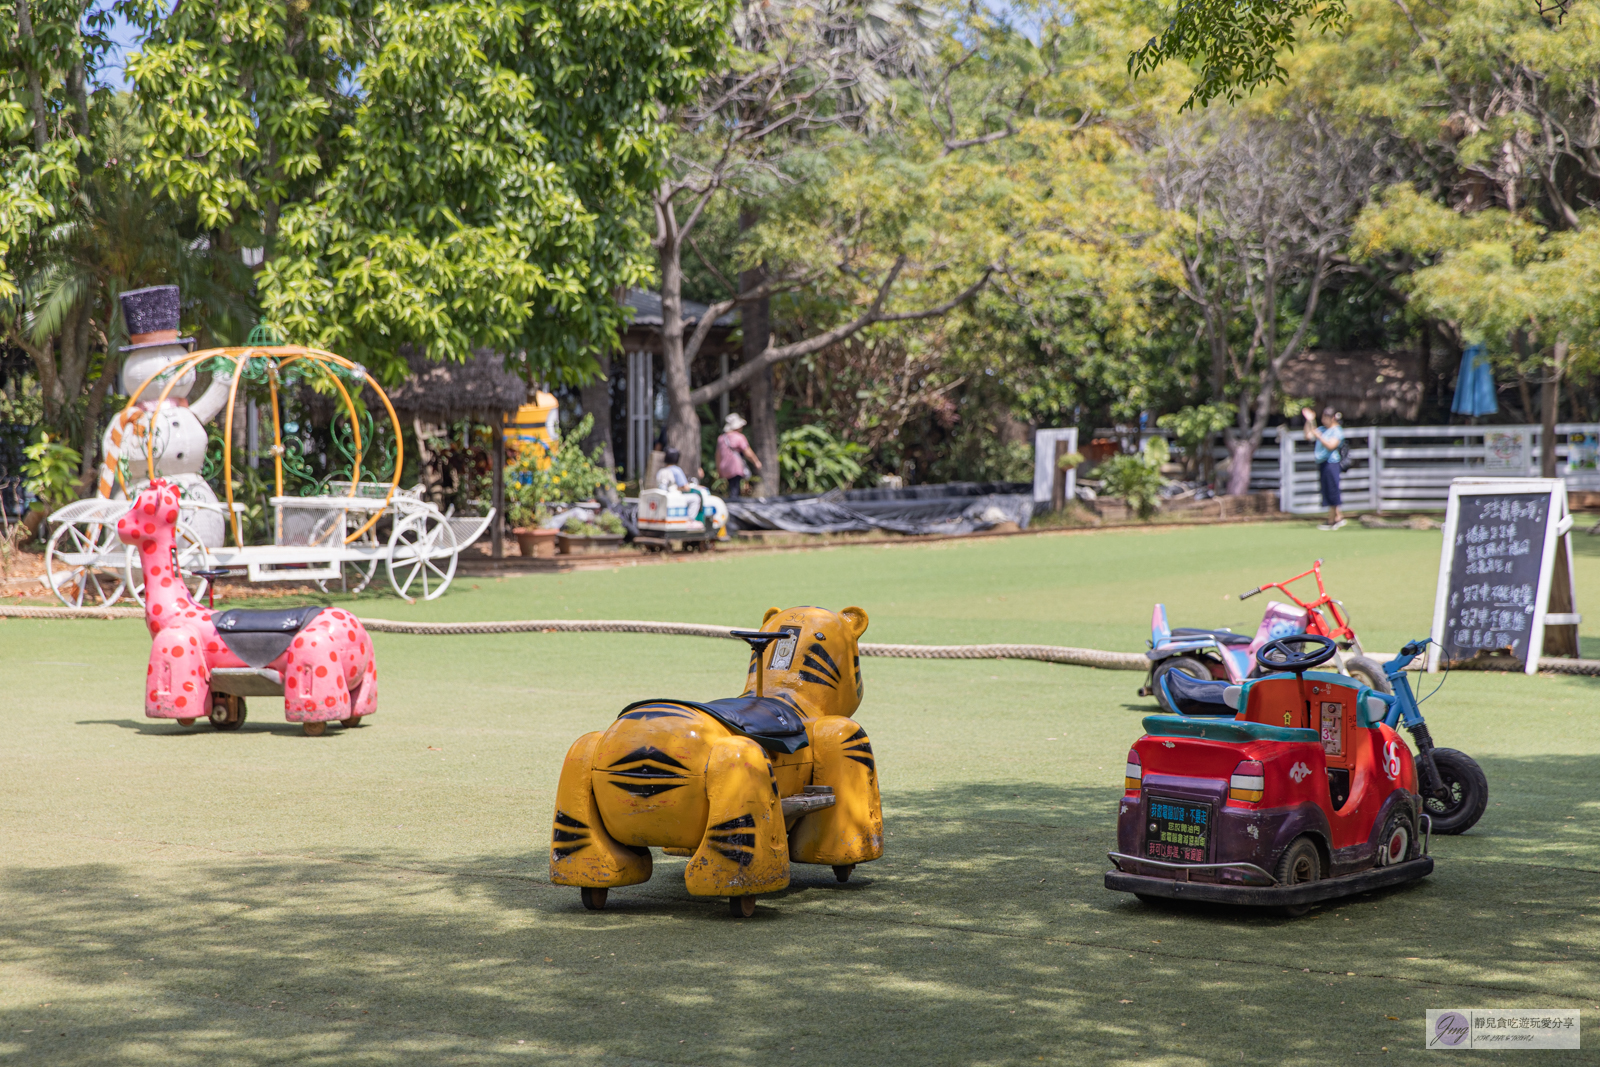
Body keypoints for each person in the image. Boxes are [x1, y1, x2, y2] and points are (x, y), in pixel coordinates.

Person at [1304, 404, 1345, 530]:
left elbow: (1331, 446)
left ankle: (1332, 521)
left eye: (1326, 417)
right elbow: (1307, 435)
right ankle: (1338, 518)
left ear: (1332, 418)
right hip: (1322, 463)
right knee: (1326, 490)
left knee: (1332, 490)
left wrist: (1320, 437)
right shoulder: (1322, 429)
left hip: (1332, 463)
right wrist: (1309, 420)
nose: (1323, 420)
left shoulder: (1337, 431)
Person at [715, 413, 763, 500]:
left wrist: (719, 470)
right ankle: (733, 506)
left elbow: (718, 455)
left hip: (725, 468)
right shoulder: (739, 437)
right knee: (735, 489)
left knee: (732, 487)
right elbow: (747, 451)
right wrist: (756, 462)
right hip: (735, 468)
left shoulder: (721, 438)